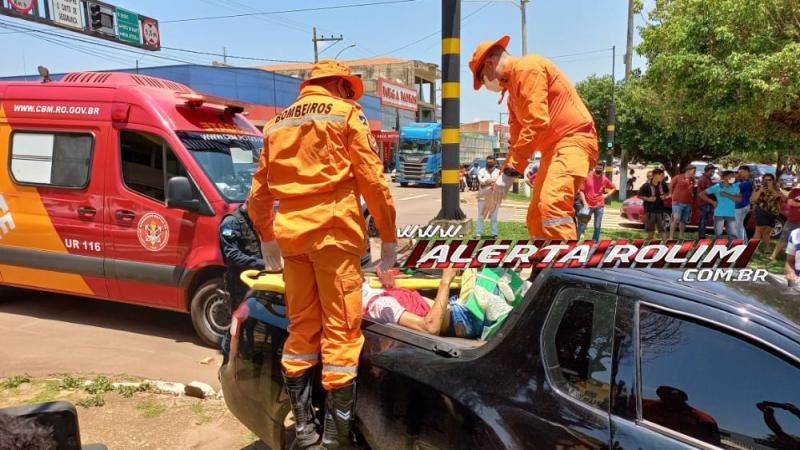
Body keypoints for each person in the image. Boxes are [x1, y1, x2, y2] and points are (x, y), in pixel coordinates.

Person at [248, 60, 398, 449]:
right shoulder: (346, 114)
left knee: (302, 329)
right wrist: (390, 241)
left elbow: (258, 193)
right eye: (347, 88)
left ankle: (305, 428)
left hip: (293, 241)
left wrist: (267, 236)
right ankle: (336, 438)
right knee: (341, 336)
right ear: (336, 85)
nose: (349, 95)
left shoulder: (277, 124)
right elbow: (374, 183)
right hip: (334, 237)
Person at [470, 35, 598, 241]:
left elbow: (537, 122)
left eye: (483, 79)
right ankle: (542, 269)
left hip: (574, 140)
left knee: (552, 203)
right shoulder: (512, 97)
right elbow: (517, 142)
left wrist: (509, 175)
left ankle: (566, 269)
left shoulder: (528, 68)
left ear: (491, 64)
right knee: (536, 217)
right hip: (553, 149)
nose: (486, 85)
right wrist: (500, 179)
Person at [362, 267, 483, 337]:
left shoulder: (366, 285)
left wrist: (392, 284)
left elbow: (405, 299)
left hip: (453, 306)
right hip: (462, 320)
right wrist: (445, 281)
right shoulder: (381, 304)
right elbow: (430, 327)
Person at [218, 200, 264, 366]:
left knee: (250, 328)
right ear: (249, 203)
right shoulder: (231, 222)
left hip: (254, 284)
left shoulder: (254, 221)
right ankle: (226, 367)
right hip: (238, 285)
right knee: (235, 329)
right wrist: (262, 263)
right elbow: (232, 255)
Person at [576, 162, 616, 241]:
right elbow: (581, 191)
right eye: (597, 168)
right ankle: (574, 242)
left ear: (603, 169)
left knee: (597, 226)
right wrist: (584, 203)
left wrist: (606, 195)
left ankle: (594, 244)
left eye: (600, 168)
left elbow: (613, 187)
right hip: (588, 206)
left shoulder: (604, 179)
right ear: (595, 167)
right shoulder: (587, 177)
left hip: (599, 206)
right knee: (582, 225)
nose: (598, 170)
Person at [699, 170, 742, 242]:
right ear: (725, 177)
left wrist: (727, 194)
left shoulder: (735, 186)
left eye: (733, 176)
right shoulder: (717, 187)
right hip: (719, 213)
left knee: (732, 234)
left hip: (731, 213)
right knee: (718, 235)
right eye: (731, 176)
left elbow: (739, 199)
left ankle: (732, 249)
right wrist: (712, 202)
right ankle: (719, 249)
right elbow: (701, 194)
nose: (733, 178)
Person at [750, 173, 785, 254]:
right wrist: (760, 191)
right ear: (763, 180)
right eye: (765, 180)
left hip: (773, 212)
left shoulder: (776, 188)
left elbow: (783, 199)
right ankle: (754, 249)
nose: (767, 181)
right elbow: (752, 199)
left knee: (767, 232)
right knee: (758, 230)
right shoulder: (758, 187)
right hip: (761, 210)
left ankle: (767, 248)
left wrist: (774, 191)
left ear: (773, 181)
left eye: (769, 180)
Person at [771, 182, 800, 261]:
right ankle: (773, 256)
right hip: (793, 220)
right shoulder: (795, 191)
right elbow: (790, 202)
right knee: (784, 239)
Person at [639, 168, 670, 241]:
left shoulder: (663, 184)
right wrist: (648, 199)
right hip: (650, 210)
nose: (663, 177)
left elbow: (667, 192)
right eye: (662, 175)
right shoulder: (646, 185)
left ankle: (666, 247)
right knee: (651, 231)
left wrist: (664, 196)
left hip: (660, 210)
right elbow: (640, 195)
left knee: (662, 229)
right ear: (656, 175)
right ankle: (650, 245)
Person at [476, 156, 502, 238]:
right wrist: (491, 182)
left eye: (491, 162)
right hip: (483, 197)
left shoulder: (499, 172)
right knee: (481, 216)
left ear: (494, 162)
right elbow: (482, 184)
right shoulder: (481, 171)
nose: (489, 163)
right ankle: (478, 233)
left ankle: (494, 234)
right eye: (488, 162)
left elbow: (500, 184)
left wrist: (488, 182)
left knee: (494, 216)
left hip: (495, 197)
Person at [669, 165, 696, 240]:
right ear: (688, 170)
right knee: (676, 218)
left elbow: (692, 192)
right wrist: (673, 197)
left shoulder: (692, 180)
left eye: (695, 171)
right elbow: (671, 187)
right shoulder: (678, 177)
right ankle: (671, 236)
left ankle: (681, 235)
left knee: (684, 220)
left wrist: (691, 188)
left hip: (688, 202)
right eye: (693, 171)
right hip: (677, 202)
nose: (694, 173)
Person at [696, 164, 716, 239]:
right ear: (707, 170)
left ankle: (702, 235)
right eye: (712, 171)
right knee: (703, 220)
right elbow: (708, 192)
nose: (713, 172)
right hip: (704, 202)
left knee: (704, 220)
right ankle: (701, 236)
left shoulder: (706, 178)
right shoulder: (704, 179)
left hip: (705, 202)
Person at [734, 165, 753, 240]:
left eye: (741, 172)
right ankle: (743, 242)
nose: (740, 174)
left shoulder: (750, 181)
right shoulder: (742, 181)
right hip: (740, 205)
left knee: (738, 225)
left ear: (746, 171)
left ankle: (741, 243)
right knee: (739, 225)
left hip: (742, 206)